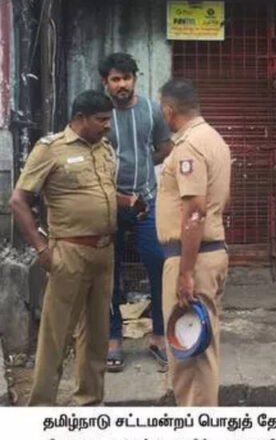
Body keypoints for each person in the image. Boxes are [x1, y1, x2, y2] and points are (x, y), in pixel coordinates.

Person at [9, 90, 116, 405]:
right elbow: (18, 201)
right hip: (68, 252)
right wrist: (42, 249)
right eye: (101, 120)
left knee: (96, 335)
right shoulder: (51, 149)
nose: (107, 126)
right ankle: (42, 408)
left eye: (108, 120)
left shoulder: (105, 149)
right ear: (81, 118)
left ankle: (89, 404)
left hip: (104, 252)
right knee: (56, 336)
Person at [155, 78, 232, 406]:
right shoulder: (215, 140)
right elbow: (223, 201)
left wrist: (185, 272)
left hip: (192, 259)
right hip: (208, 253)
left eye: (163, 111)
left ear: (169, 111)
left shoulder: (188, 146)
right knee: (201, 347)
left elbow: (195, 212)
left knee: (190, 354)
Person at [98, 52, 173, 372]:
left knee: (158, 263)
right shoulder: (98, 114)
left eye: (127, 78)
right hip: (108, 203)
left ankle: (158, 336)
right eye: (115, 79)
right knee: (108, 272)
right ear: (106, 84)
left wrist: (143, 169)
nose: (122, 84)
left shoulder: (151, 110)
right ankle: (113, 339)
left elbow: (164, 147)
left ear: (135, 79)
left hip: (145, 201)